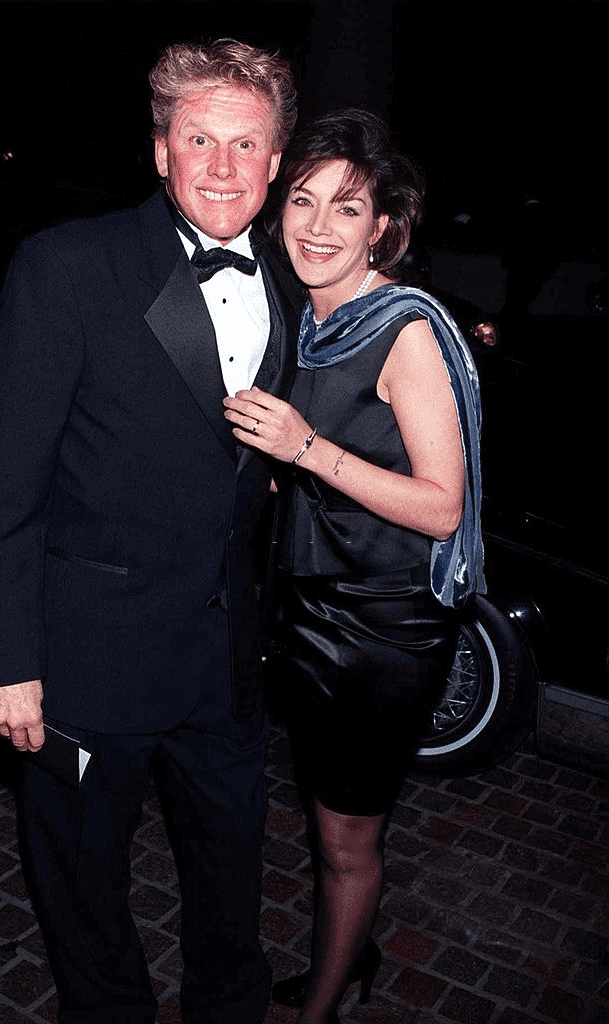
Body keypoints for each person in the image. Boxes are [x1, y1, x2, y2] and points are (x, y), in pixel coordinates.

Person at [0, 39, 300, 1024]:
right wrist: (6, 659)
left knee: (233, 881)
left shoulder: (289, 277)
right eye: (200, 139)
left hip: (223, 662)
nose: (224, 166)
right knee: (82, 878)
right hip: (81, 668)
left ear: (276, 163)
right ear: (161, 150)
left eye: (246, 144)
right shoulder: (69, 265)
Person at [223, 109, 485, 1024]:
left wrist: (305, 451)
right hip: (308, 606)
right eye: (303, 201)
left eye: (348, 208)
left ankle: (326, 1002)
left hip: (382, 624)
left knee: (346, 836)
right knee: (327, 816)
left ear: (384, 228)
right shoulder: (306, 319)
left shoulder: (404, 330)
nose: (317, 226)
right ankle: (352, 953)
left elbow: (441, 504)